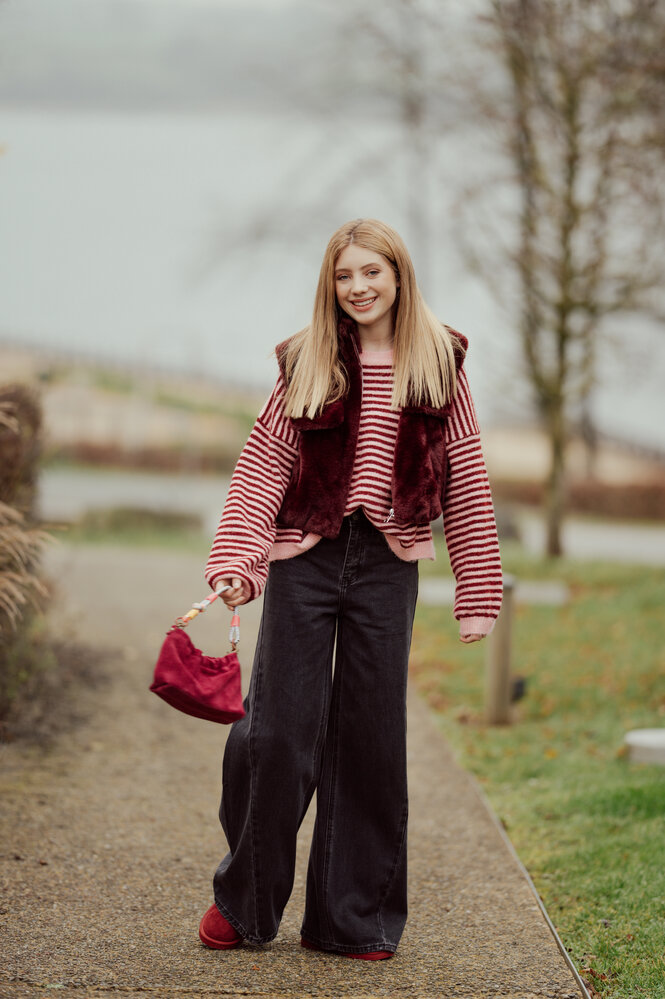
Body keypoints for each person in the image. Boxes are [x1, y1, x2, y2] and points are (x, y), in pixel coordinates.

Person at [198, 218, 503, 959]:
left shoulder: (439, 361)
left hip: (386, 566)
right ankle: (244, 902)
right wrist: (240, 558)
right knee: (275, 734)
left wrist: (477, 587)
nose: (359, 287)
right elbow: (264, 462)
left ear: (398, 275)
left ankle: (351, 919)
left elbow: (463, 473)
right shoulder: (307, 359)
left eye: (373, 272)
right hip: (305, 555)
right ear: (329, 285)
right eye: (344, 275)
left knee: (369, 742)